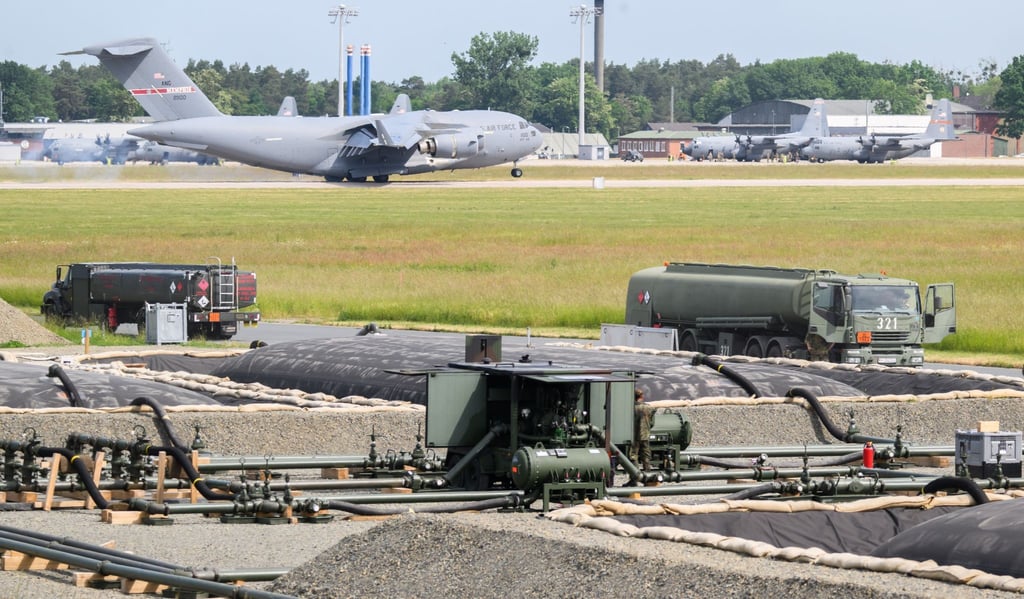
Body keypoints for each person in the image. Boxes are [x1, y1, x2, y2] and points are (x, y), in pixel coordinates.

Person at [631, 388, 653, 471]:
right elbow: (651, 421)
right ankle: (648, 474)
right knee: (646, 454)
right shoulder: (648, 407)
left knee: (633, 455)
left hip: (634, 435)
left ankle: (635, 475)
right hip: (645, 434)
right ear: (642, 396)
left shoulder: (631, 407)